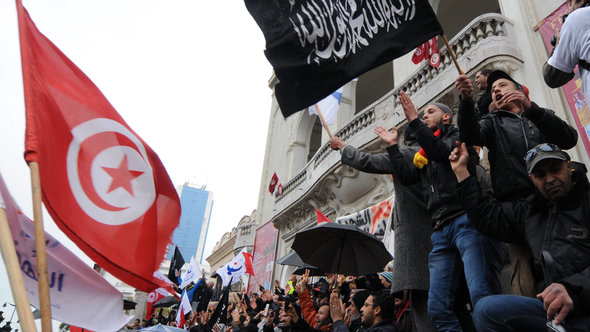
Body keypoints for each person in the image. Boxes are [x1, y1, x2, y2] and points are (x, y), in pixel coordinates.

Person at [375, 91, 501, 332]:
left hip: (464, 222)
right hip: (440, 230)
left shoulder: (456, 137)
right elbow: (409, 176)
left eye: (429, 112)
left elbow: (441, 152)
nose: (424, 116)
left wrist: (412, 120)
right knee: (438, 308)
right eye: (422, 114)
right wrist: (392, 147)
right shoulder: (424, 153)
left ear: (446, 117)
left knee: (481, 296)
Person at [455, 69, 578, 296]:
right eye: (492, 90)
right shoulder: (491, 122)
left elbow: (569, 139)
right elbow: (471, 135)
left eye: (502, 85)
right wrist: (465, 102)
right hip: (517, 212)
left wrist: (533, 110)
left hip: (556, 205)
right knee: (524, 279)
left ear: (519, 91)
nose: (496, 90)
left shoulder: (540, 115)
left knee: (566, 263)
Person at [449, 142, 590, 331]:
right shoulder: (529, 212)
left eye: (555, 170)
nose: (550, 179)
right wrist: (461, 173)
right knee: (486, 310)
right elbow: (486, 217)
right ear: (532, 179)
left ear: (569, 166)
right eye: (540, 175)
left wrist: (573, 289)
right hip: (554, 317)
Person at [329, 123, 435, 332]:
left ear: (407, 141)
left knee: (422, 311)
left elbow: (366, 161)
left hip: (415, 246)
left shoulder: (407, 155)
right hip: (434, 239)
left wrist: (343, 146)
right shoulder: (436, 155)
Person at [543, 0, 590, 100]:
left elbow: (552, 77)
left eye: (570, 2)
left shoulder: (577, 18)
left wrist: (558, 43)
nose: (570, 8)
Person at [330, 289, 396, 332]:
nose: (361, 309)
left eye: (366, 305)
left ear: (377, 310)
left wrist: (338, 321)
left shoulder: (383, 330)